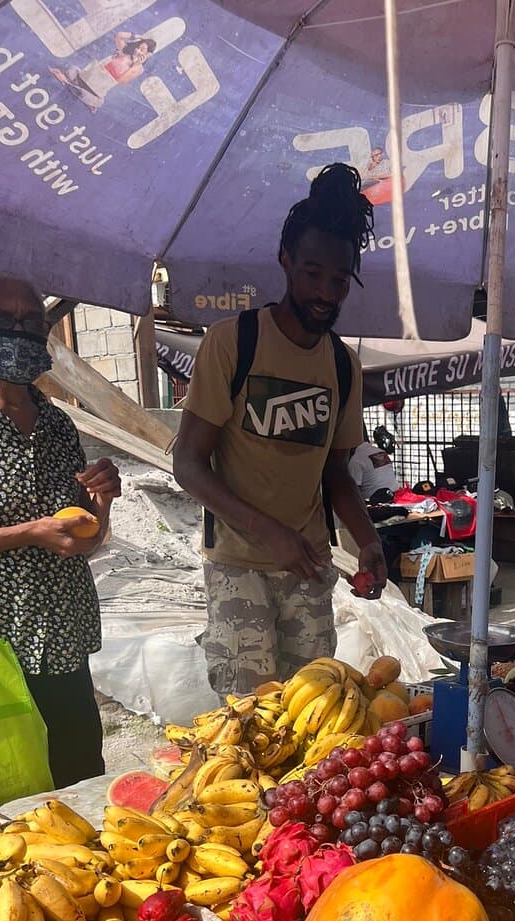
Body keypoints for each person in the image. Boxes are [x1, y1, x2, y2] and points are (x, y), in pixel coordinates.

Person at [174, 164, 388, 695]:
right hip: (238, 567)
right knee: (249, 719)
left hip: (308, 568)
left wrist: (368, 541)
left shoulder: (343, 365)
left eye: (339, 280)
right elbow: (188, 464)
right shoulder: (233, 342)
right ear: (286, 261)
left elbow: (336, 472)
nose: (325, 293)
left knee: (313, 715)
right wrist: (268, 531)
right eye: (312, 274)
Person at [0, 275, 121, 786]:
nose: (19, 332)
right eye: (0, 321)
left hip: (61, 639)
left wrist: (101, 502)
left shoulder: (57, 425)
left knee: (79, 779)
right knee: (0, 793)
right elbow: (40, 531)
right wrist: (28, 532)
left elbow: (79, 541)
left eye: (32, 322)